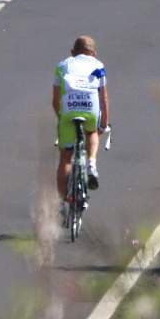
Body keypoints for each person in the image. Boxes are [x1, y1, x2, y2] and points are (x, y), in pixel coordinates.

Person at [53, 35, 110, 207]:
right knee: (92, 132)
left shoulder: (62, 65)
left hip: (69, 110)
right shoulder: (99, 65)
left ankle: (64, 204)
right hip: (90, 108)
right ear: (94, 53)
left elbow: (55, 101)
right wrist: (103, 124)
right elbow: (104, 99)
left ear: (72, 52)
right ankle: (91, 164)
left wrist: (62, 119)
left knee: (65, 158)